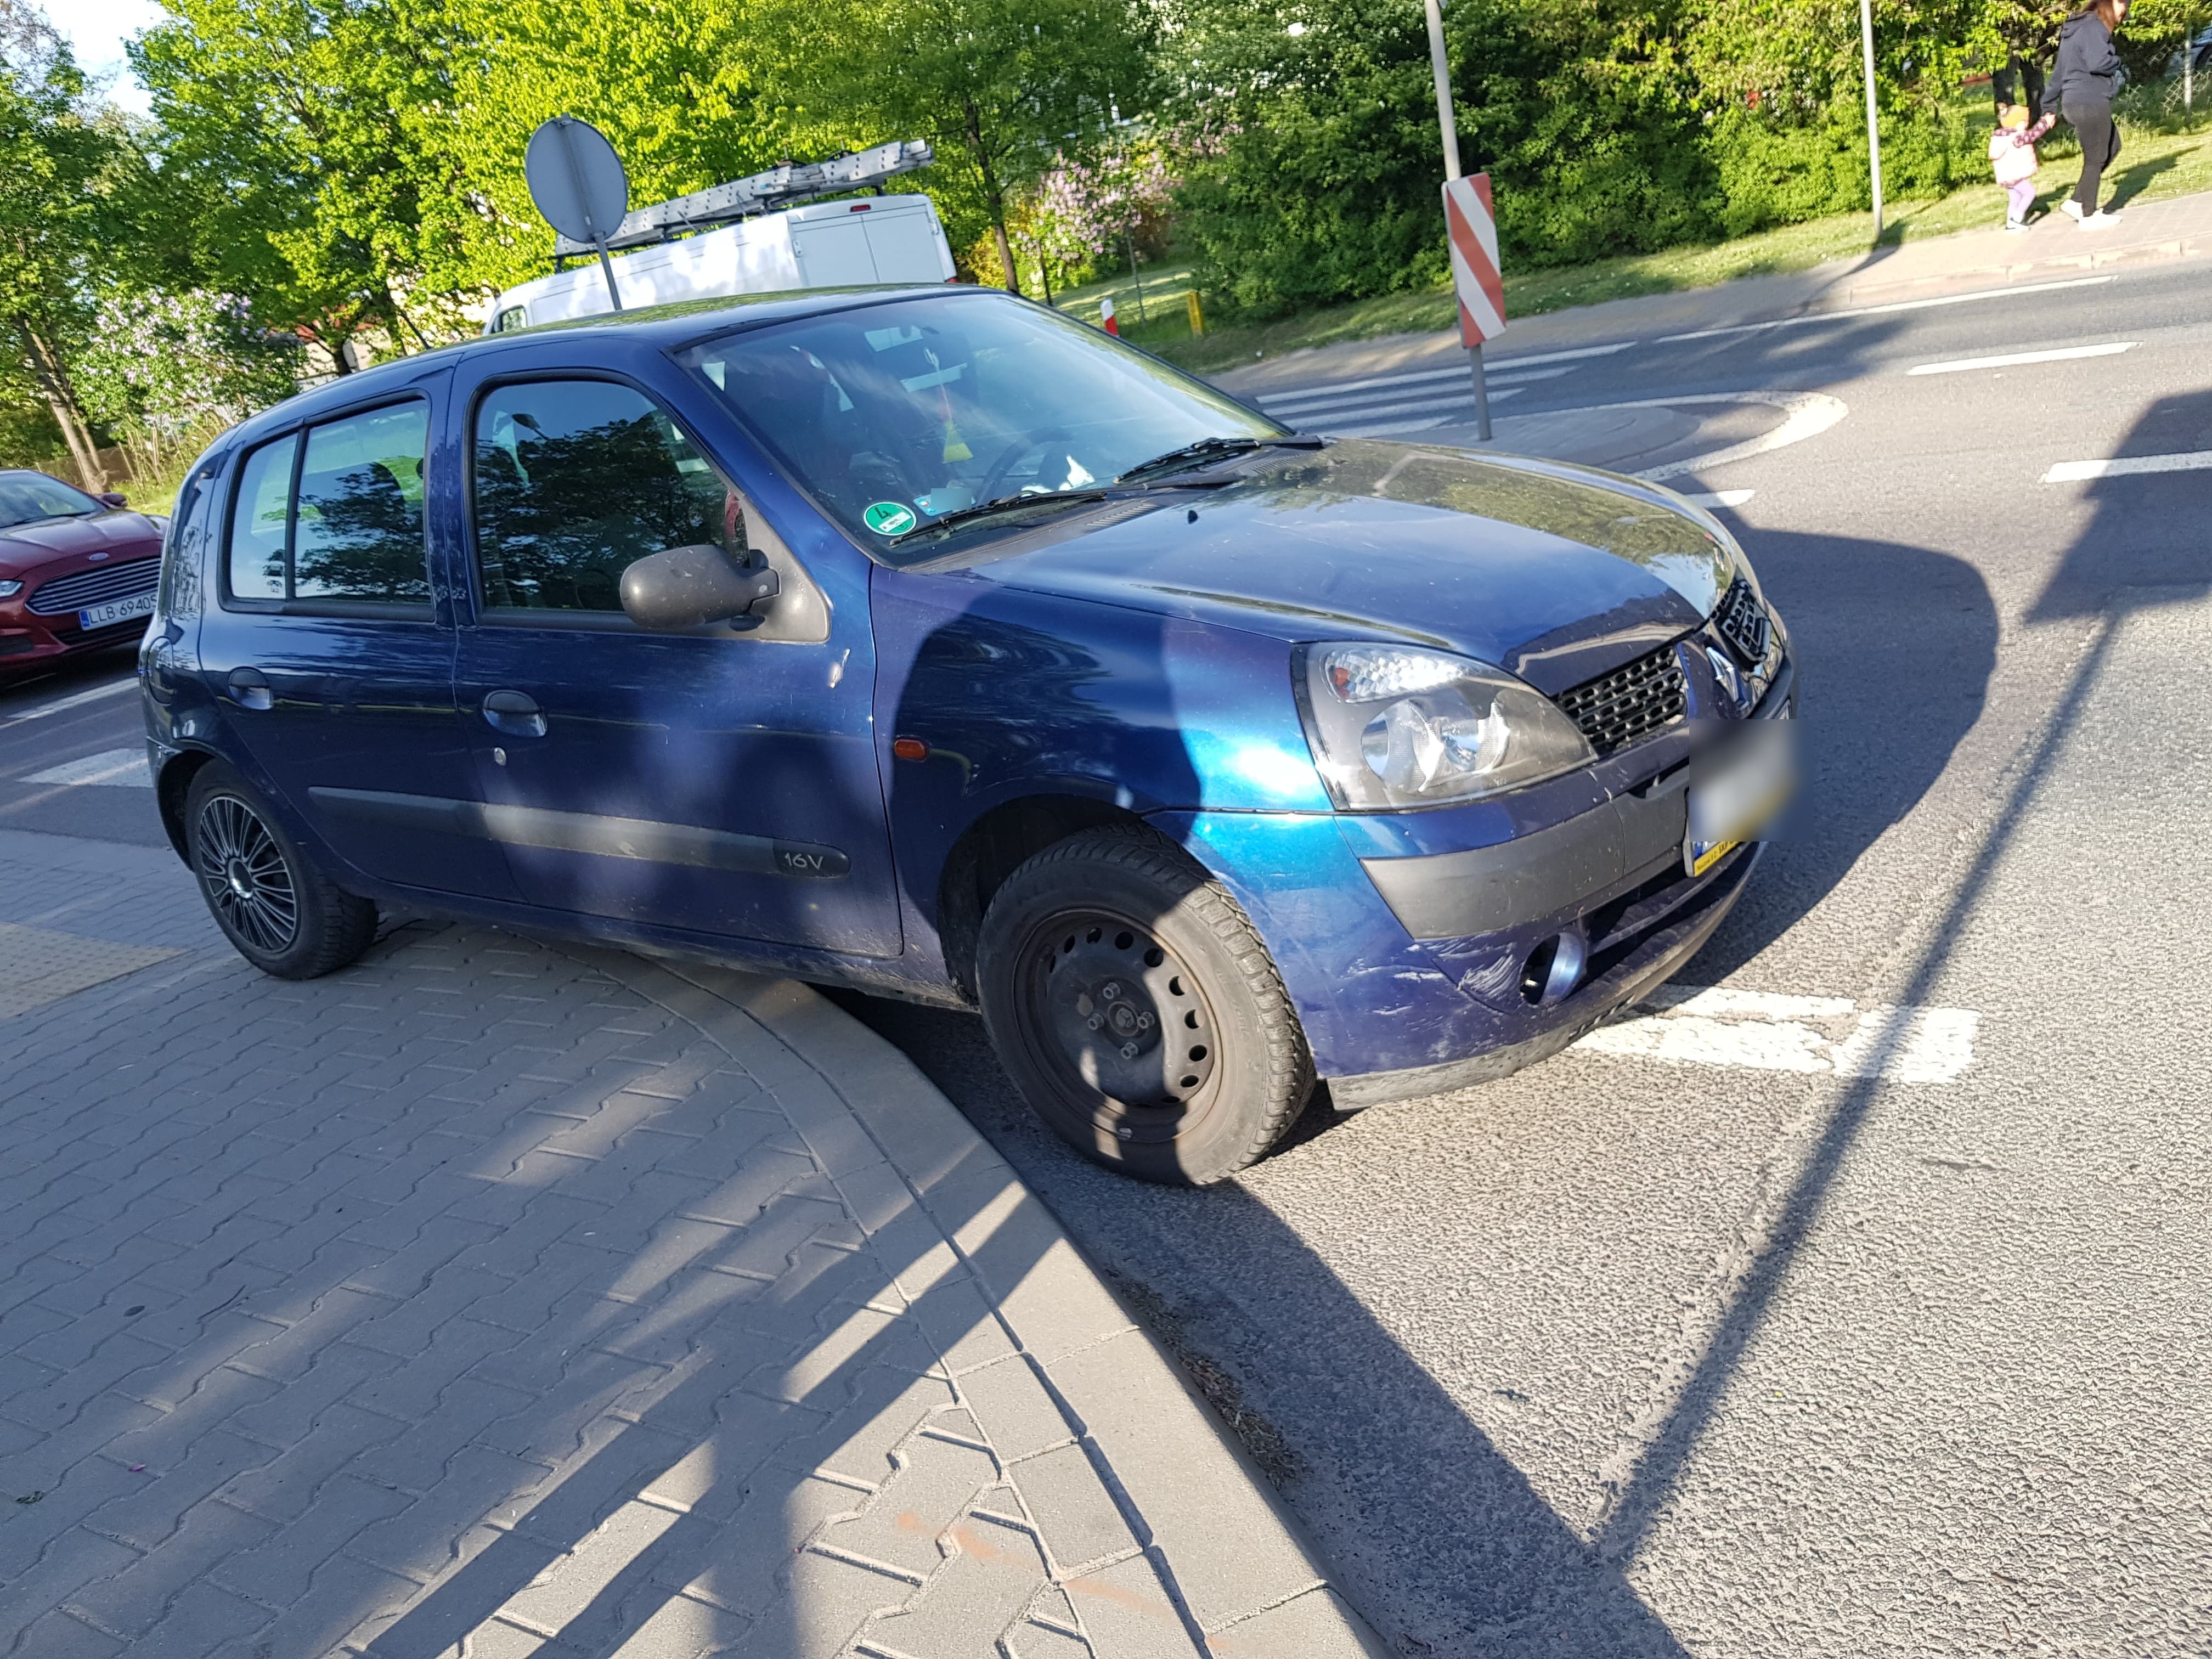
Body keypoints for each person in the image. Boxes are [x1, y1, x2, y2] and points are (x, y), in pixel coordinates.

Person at [2052, 0, 2129, 226]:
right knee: (2095, 157)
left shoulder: (2077, 29)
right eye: (2124, 8)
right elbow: (2099, 63)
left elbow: (2059, 71)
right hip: (2090, 100)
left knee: (2113, 146)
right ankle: (2088, 215)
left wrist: (2049, 105)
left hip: (2076, 100)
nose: (2123, 15)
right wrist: (2116, 60)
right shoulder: (2095, 27)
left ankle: (2077, 201)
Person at [1990, 104, 2059, 232]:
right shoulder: (2017, 137)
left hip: (2006, 176)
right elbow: (2033, 135)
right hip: (2015, 175)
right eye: (2025, 121)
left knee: (2015, 198)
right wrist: (2045, 123)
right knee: (2029, 193)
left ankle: (2010, 225)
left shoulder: (2001, 137)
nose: (2027, 124)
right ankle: (2016, 219)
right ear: (2017, 123)